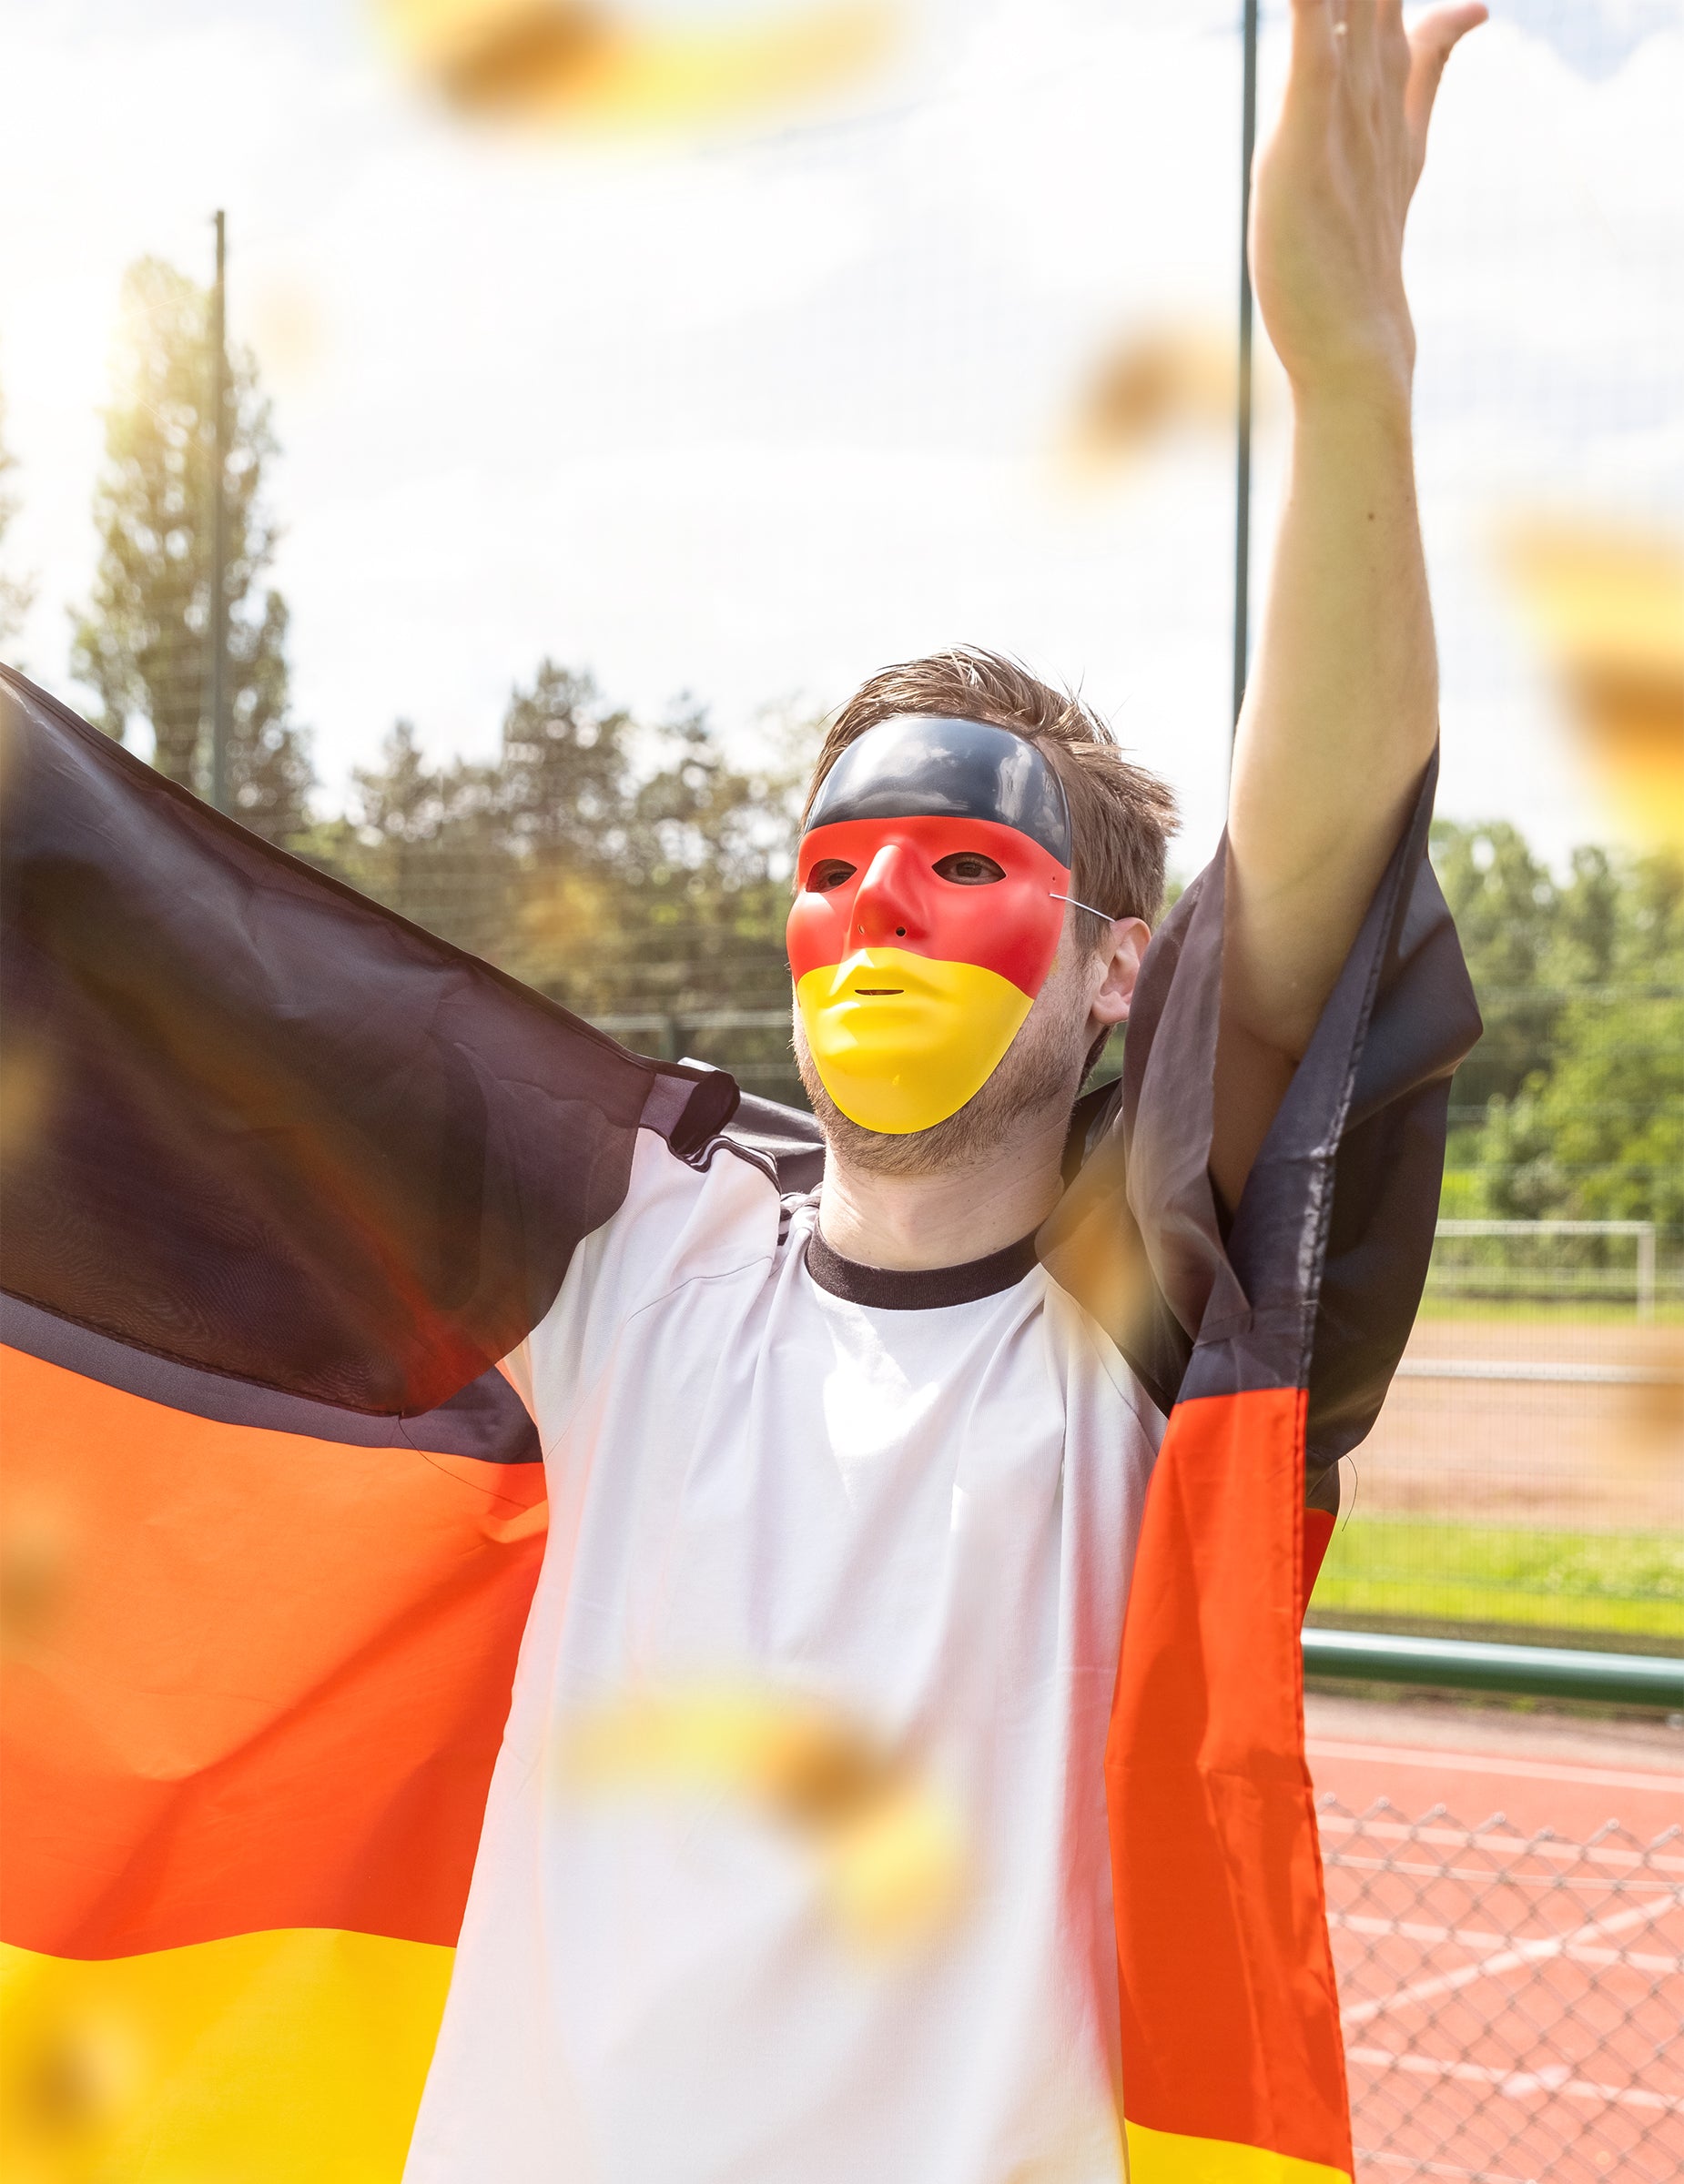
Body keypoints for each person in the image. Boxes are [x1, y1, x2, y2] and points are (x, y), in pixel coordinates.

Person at [0, 5, 1484, 2180]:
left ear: (1110, 971)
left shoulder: (1136, 1343)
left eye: (965, 868)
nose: (878, 911)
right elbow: (155, 951)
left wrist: (1349, 369)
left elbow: (1315, 893)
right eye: (830, 871)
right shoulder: (629, 1261)